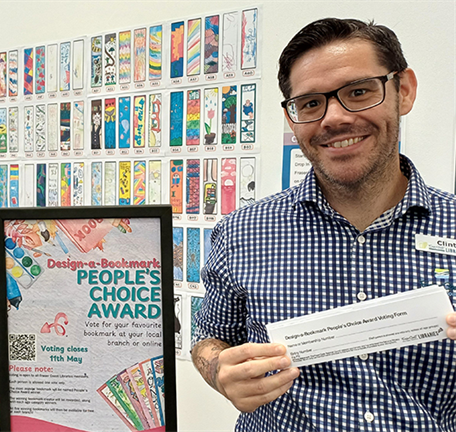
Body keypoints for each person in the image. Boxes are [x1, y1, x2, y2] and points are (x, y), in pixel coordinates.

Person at [191, 18, 456, 431]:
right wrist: (220, 372)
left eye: (358, 92)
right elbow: (208, 338)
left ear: (403, 91)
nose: (334, 118)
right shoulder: (242, 232)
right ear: (292, 117)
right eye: (311, 103)